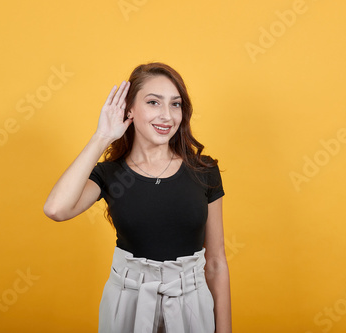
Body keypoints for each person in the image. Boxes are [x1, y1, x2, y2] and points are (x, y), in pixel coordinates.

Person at [44, 62, 232, 332]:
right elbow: (56, 209)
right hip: (128, 302)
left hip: (192, 304)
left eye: (175, 104)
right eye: (154, 102)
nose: (166, 115)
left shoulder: (204, 171)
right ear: (129, 109)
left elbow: (215, 262)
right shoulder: (110, 174)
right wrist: (102, 136)